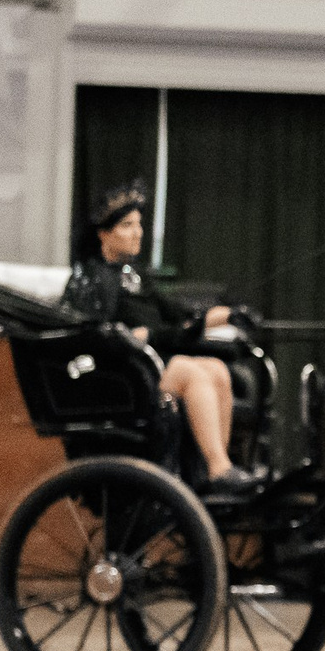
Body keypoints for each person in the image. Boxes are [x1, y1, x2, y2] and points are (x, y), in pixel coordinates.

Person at [69, 182, 257, 495]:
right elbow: (94, 334)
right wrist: (139, 336)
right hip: (121, 375)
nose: (137, 233)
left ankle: (216, 471)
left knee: (217, 371)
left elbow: (182, 317)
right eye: (127, 226)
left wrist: (231, 315)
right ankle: (218, 467)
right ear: (104, 233)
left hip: (150, 367)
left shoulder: (136, 276)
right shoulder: (93, 278)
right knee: (188, 369)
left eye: (139, 225)